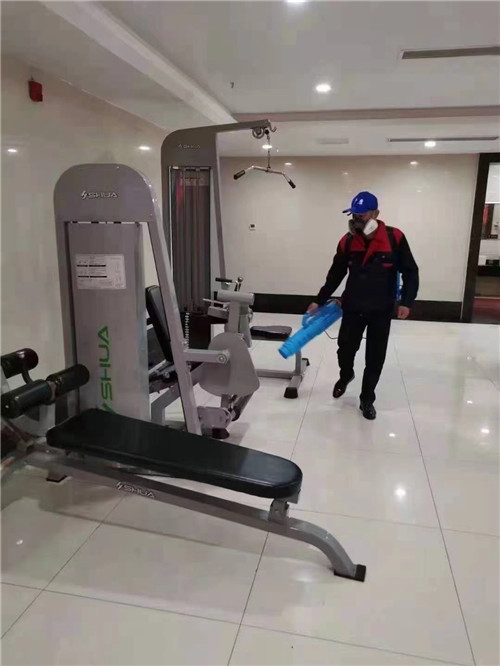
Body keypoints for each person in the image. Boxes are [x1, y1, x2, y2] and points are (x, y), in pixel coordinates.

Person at [307, 191, 419, 420]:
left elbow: (411, 271)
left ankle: (367, 399)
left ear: (376, 214)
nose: (358, 220)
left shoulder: (395, 238)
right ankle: (346, 375)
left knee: (375, 358)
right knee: (345, 349)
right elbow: (335, 274)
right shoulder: (348, 241)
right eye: (354, 216)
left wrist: (407, 302)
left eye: (362, 215)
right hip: (353, 306)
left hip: (381, 309)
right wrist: (319, 299)